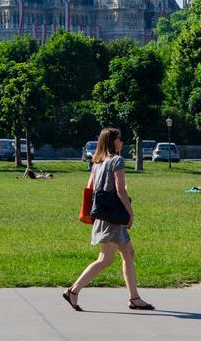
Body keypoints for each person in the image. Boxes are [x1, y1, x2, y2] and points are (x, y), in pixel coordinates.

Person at [64, 127, 153, 312]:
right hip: (113, 217)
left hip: (104, 214)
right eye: (119, 138)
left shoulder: (97, 163)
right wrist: (130, 213)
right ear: (112, 141)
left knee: (128, 253)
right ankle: (73, 290)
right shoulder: (117, 160)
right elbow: (120, 190)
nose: (122, 141)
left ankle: (134, 298)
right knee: (105, 259)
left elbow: (90, 188)